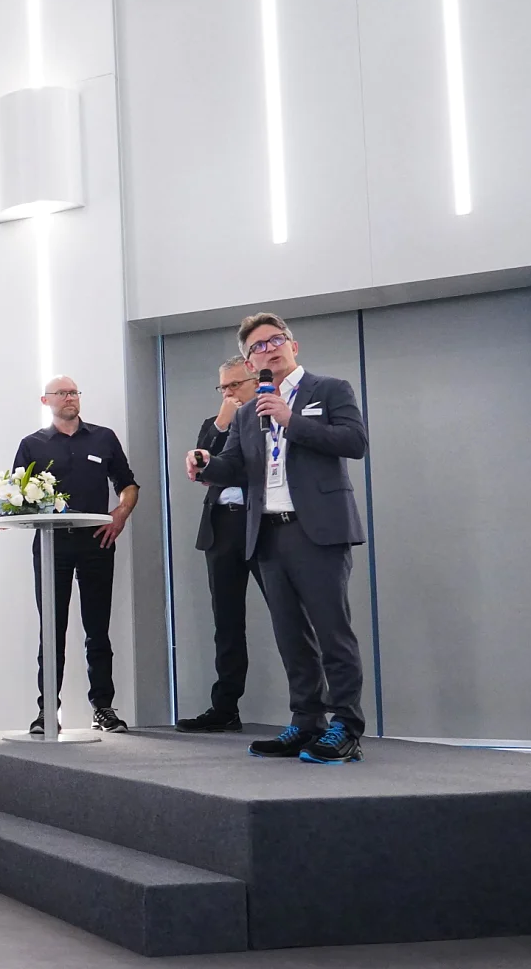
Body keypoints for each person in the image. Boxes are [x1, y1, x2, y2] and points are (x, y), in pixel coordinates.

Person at [188, 313, 369, 764]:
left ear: (294, 344)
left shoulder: (329, 390)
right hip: (267, 533)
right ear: (250, 363)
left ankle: (346, 725)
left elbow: (354, 440)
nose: (267, 350)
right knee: (291, 635)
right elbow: (233, 465)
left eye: (275, 341)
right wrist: (205, 464)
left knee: (332, 631)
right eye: (257, 347)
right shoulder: (249, 412)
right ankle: (306, 721)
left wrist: (291, 420)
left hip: (318, 531)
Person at [13, 375, 140, 735]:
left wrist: (121, 514)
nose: (70, 398)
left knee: (97, 628)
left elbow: (128, 484)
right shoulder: (32, 445)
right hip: (53, 545)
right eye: (62, 393)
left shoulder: (103, 437)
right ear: (45, 400)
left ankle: (103, 708)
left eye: (74, 392)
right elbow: (16, 494)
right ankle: (46, 712)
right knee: (51, 629)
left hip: (97, 542)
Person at [176, 357, 266, 733]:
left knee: (290, 616)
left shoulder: (268, 418)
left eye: (235, 385)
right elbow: (202, 469)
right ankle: (225, 707)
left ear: (253, 381)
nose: (229, 393)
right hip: (222, 526)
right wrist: (222, 422)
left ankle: (309, 710)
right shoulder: (215, 425)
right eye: (223, 387)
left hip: (262, 523)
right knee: (226, 621)